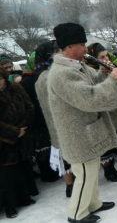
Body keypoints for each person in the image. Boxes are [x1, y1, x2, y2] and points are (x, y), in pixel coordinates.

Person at [47, 22, 117, 223]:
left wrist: (105, 73)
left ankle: (93, 203)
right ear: (69, 47)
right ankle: (76, 213)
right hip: (77, 134)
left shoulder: (78, 65)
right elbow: (89, 97)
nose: (86, 49)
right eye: (82, 45)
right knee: (84, 173)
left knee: (91, 169)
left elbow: (93, 83)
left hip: (86, 131)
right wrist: (113, 81)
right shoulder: (61, 73)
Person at [34, 41, 76, 198]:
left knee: (62, 152)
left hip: (52, 122)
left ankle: (70, 185)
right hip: (61, 119)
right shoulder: (50, 75)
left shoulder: (39, 76)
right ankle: (72, 184)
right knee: (67, 153)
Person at [84, 42, 117, 182]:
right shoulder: (91, 73)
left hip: (115, 112)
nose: (105, 60)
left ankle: (112, 167)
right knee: (106, 144)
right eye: (101, 57)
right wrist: (106, 75)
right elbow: (98, 91)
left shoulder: (107, 69)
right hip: (103, 114)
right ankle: (107, 169)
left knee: (115, 142)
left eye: (106, 56)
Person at [20, 41, 61, 183]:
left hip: (45, 116)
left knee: (48, 145)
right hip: (37, 118)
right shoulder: (28, 81)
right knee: (42, 148)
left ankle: (52, 170)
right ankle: (46, 172)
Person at [0, 66, 38, 219]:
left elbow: (30, 107)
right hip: (4, 140)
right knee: (7, 176)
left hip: (22, 136)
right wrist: (14, 132)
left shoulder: (16, 88)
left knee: (22, 168)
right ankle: (10, 206)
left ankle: (25, 197)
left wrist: (23, 127)